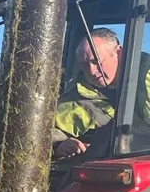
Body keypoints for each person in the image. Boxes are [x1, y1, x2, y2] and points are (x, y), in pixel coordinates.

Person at [53, 27, 150, 159]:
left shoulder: (146, 74)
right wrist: (59, 145)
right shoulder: (75, 99)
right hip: (107, 166)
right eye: (85, 65)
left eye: (96, 61)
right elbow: (46, 131)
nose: (92, 71)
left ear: (119, 53)